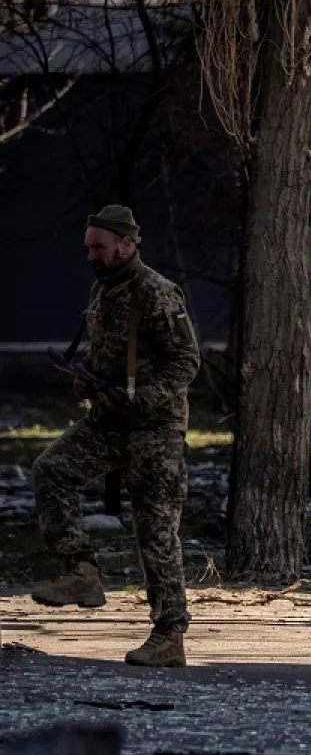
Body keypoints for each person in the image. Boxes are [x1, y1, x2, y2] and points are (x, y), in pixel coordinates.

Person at [30, 205, 200, 667]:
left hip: (154, 429)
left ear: (127, 244)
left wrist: (144, 397)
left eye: (99, 247)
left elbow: (186, 361)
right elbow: (109, 351)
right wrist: (88, 380)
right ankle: (81, 570)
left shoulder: (159, 293)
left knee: (156, 530)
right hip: (108, 420)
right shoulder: (103, 289)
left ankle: (170, 636)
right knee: (52, 471)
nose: (91, 255)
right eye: (88, 247)